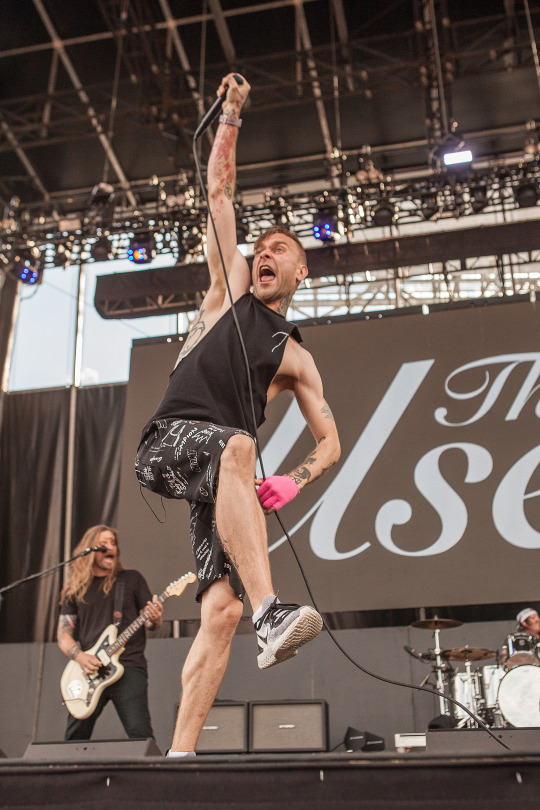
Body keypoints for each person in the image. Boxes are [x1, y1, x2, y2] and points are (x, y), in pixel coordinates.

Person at [135, 72, 341, 757]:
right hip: (170, 442)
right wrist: (231, 114)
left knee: (219, 611)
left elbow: (330, 441)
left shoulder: (296, 358)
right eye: (263, 247)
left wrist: (296, 480)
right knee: (238, 447)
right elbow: (220, 192)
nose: (265, 254)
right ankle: (272, 612)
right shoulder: (228, 291)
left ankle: (179, 756)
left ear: (302, 272)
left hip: (218, 471)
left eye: (282, 249)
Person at [57, 524, 163, 741]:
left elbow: (151, 624)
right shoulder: (75, 590)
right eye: (104, 543)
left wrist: (154, 618)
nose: (111, 547)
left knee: (140, 734)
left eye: (113, 543)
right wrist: (80, 657)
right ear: (90, 548)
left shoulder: (132, 579)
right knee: (74, 737)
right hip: (91, 670)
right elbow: (63, 635)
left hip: (129, 666)